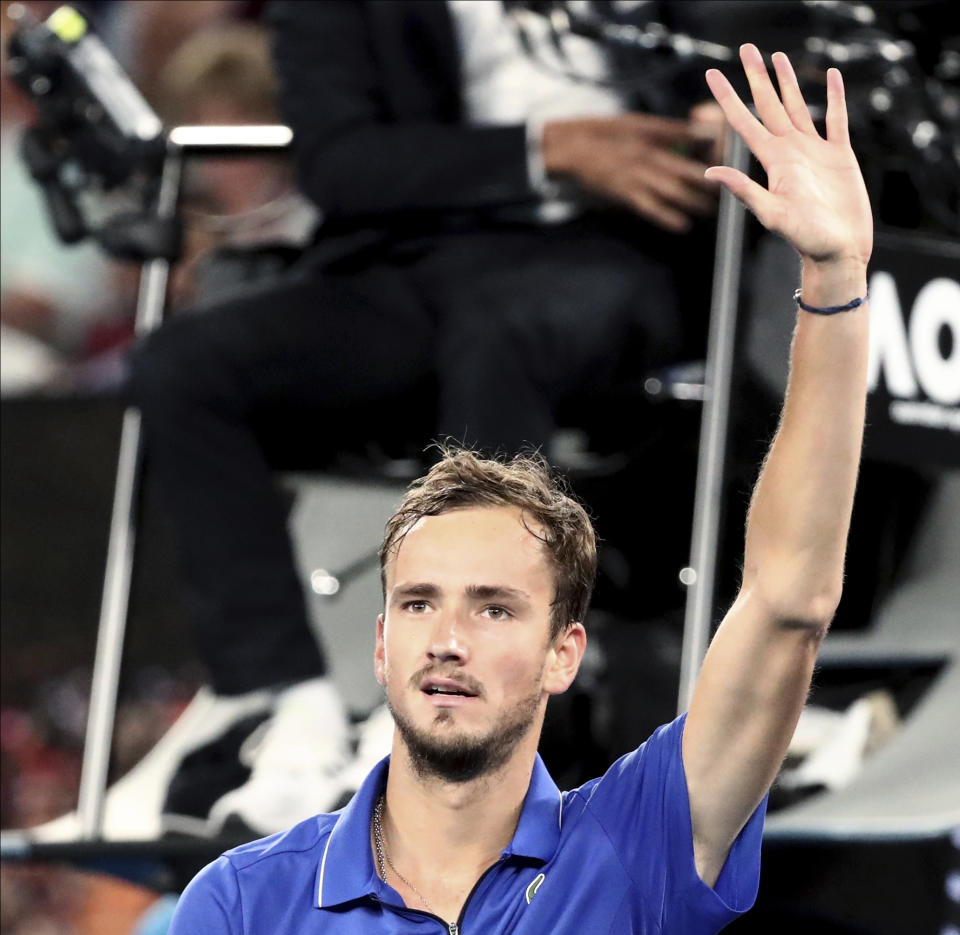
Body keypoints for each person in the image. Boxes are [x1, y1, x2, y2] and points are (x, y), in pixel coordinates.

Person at [132, 44, 873, 935]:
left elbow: (790, 601)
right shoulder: (237, 909)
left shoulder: (633, 860)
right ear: (378, 642)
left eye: (493, 607)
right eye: (417, 603)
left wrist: (836, 282)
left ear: (563, 653)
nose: (448, 638)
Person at [67, 0, 725, 844]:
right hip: (413, 262)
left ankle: (454, 719)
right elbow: (343, 167)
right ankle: (290, 709)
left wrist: (716, 115)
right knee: (180, 364)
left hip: (605, 256)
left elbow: (737, 46)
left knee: (498, 334)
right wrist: (546, 149)